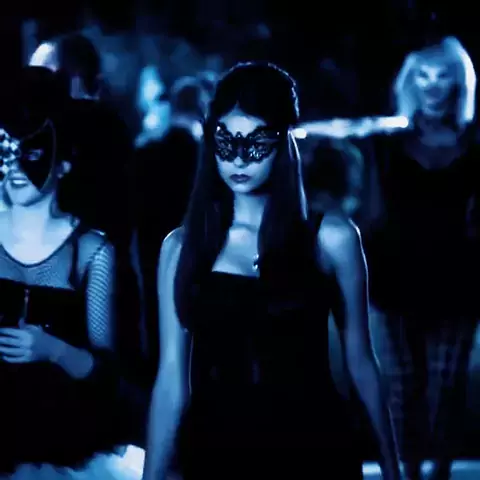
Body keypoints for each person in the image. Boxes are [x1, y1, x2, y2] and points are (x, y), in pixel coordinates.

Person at [143, 62, 399, 480]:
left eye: (257, 141)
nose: (239, 157)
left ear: (283, 141)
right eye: (226, 140)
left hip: (313, 451)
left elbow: (362, 362)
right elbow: (171, 379)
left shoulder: (332, 239)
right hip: (216, 453)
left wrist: (392, 470)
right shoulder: (181, 248)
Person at [0, 66, 132, 480]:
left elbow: (105, 374)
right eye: (6, 147)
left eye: (33, 151)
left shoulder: (90, 252)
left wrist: (52, 350)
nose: (16, 165)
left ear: (64, 163)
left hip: (61, 446)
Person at [360, 36, 478, 480]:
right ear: (411, 82)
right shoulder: (387, 144)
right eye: (423, 76)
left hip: (456, 281)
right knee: (400, 386)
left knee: (445, 388)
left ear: (458, 82)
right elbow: (371, 213)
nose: (432, 85)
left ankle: (439, 472)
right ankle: (403, 473)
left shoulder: (474, 143)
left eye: (442, 76)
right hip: (392, 281)